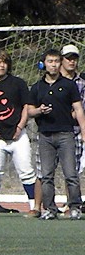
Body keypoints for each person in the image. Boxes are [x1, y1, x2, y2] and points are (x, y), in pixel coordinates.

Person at [0, 49, 40, 217]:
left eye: (4, 62)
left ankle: (33, 207)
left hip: (18, 136)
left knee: (26, 171)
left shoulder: (18, 83)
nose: (2, 65)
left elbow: (26, 106)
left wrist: (19, 127)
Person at [27, 48, 85, 220]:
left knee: (71, 174)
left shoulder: (69, 85)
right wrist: (39, 110)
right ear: (43, 64)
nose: (53, 65)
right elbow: (29, 110)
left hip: (66, 134)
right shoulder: (37, 87)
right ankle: (50, 209)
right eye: (50, 61)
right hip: (45, 135)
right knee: (46, 175)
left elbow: (78, 109)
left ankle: (75, 207)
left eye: (56, 61)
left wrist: (83, 131)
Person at [60, 43, 85, 174]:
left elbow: (82, 108)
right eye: (68, 58)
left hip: (75, 130)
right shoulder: (52, 81)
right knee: (43, 173)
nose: (72, 61)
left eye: (74, 58)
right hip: (51, 130)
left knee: (72, 174)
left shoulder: (82, 83)